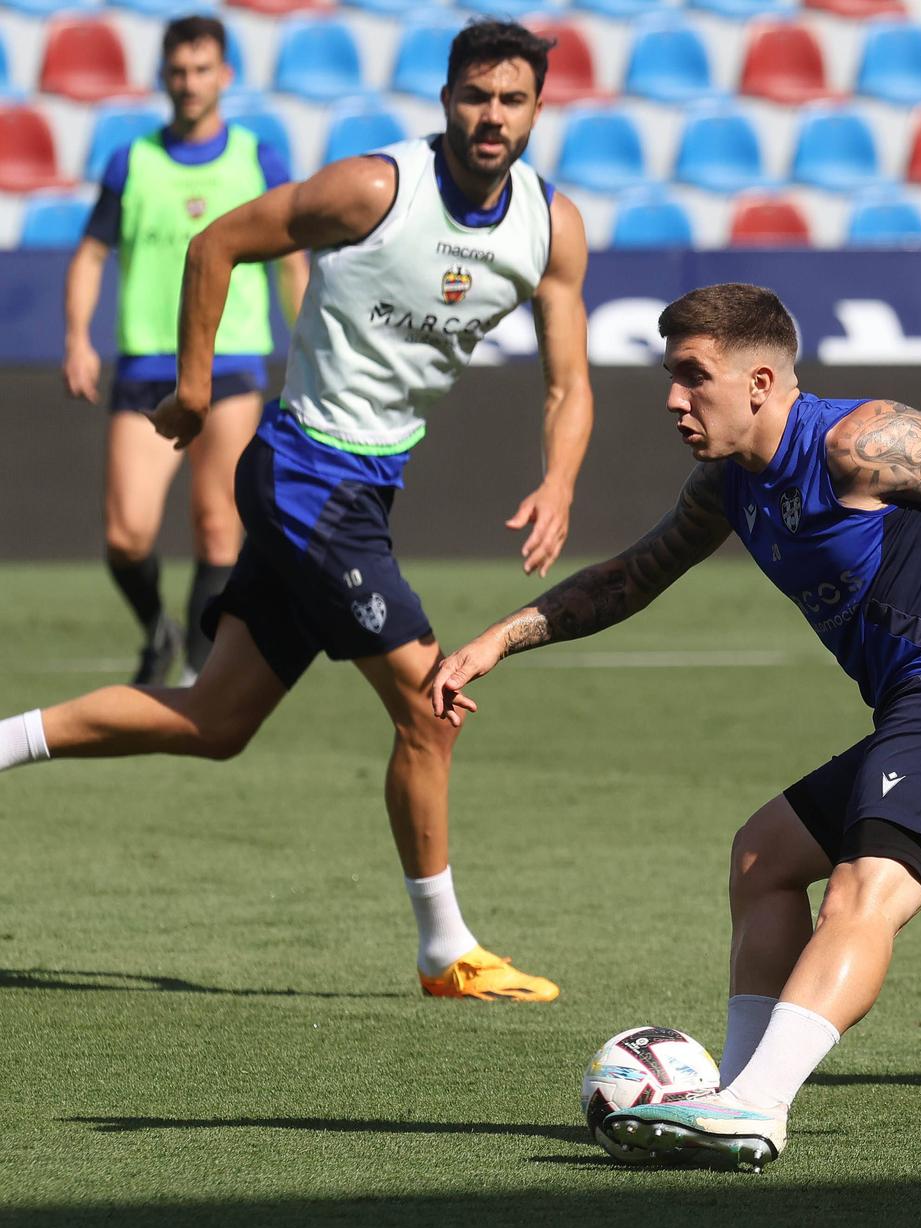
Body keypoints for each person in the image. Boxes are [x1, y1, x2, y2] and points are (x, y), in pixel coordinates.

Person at [427, 283, 921, 1169]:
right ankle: (732, 1100)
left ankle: (758, 1105)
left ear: (763, 381)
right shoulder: (729, 488)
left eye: (694, 378)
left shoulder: (859, 442)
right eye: (669, 377)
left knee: (861, 889)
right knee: (762, 857)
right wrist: (499, 639)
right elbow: (631, 577)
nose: (672, 400)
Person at [0, 20, 592, 1003]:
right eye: (475, 96)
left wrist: (561, 478)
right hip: (303, 471)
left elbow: (568, 383)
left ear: (537, 108)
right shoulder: (372, 188)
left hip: (365, 489)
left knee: (216, 717)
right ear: (445, 99)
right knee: (427, 702)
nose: (491, 116)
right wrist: (194, 391)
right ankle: (445, 948)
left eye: (511, 99)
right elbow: (218, 240)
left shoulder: (550, 225)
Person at [62, 14, 308, 684]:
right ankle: (157, 627)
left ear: (224, 76)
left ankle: (198, 675)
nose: (189, 83)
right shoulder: (131, 160)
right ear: (163, 76)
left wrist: (308, 339)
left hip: (230, 366)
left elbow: (292, 260)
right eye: (178, 71)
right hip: (146, 367)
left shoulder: (257, 158)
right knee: (126, 535)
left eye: (202, 70)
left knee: (217, 524)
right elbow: (90, 254)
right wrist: (77, 337)